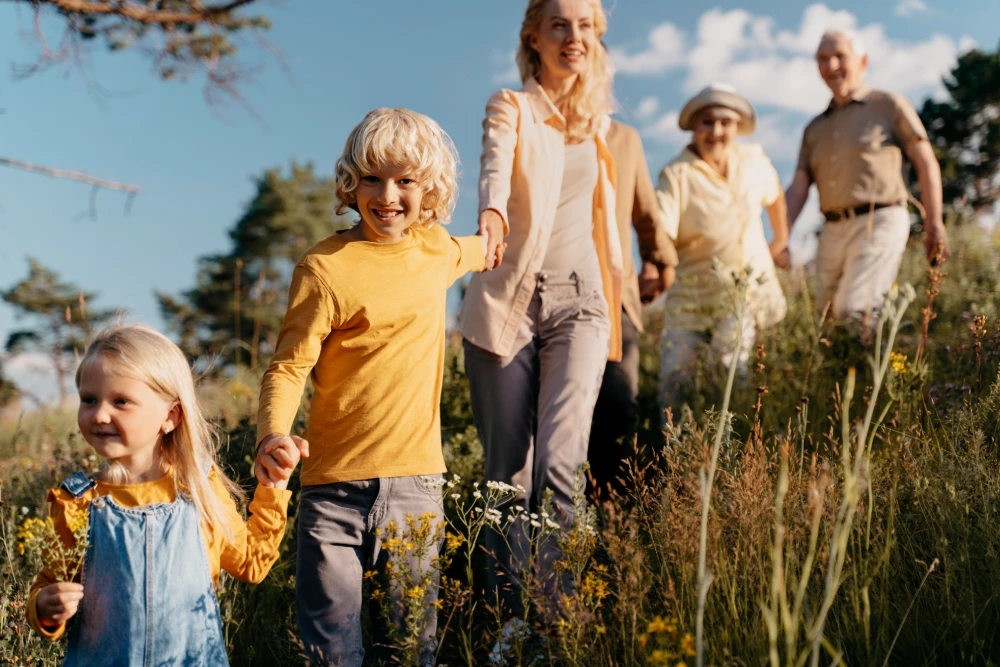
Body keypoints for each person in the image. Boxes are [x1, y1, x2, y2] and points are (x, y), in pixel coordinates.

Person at [254, 108, 488, 666]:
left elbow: (490, 245)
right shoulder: (325, 267)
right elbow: (289, 366)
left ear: (428, 189)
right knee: (330, 652)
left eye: (405, 181)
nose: (388, 195)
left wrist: (501, 219)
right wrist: (272, 436)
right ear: (350, 182)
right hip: (332, 492)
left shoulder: (437, 249)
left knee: (409, 650)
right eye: (373, 178)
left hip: (416, 487)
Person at [460, 0, 622, 621]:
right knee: (508, 473)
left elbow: (608, 227)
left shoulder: (598, 127)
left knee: (560, 461)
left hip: (581, 303)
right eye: (560, 24)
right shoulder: (513, 106)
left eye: (585, 26)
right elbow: (495, 162)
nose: (573, 36)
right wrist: (492, 211)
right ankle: (506, 623)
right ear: (534, 37)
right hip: (508, 301)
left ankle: (556, 621)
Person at [27, 324, 299, 665]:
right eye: (89, 399)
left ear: (170, 416)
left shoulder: (198, 486)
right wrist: (44, 608)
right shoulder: (76, 501)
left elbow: (251, 562)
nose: (99, 414)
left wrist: (274, 486)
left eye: (121, 401)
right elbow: (51, 583)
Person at [785, 30, 951, 324]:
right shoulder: (814, 128)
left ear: (863, 61)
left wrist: (934, 222)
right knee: (826, 321)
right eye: (823, 59)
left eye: (840, 56)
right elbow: (799, 186)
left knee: (856, 309)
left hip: (881, 219)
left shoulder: (889, 105)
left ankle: (871, 369)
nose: (831, 65)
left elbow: (926, 162)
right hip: (833, 230)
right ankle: (849, 370)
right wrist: (780, 236)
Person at [655, 83, 790, 417]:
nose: (716, 131)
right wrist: (657, 268)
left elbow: (775, 197)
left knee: (732, 372)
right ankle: (674, 455)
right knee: (675, 379)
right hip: (693, 293)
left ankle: (731, 450)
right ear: (694, 127)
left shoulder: (753, 160)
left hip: (742, 293)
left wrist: (781, 241)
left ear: (736, 128)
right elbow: (661, 232)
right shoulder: (676, 174)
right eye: (707, 122)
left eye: (725, 123)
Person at [587, 118, 678, 494]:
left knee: (617, 405)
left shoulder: (625, 139)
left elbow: (644, 209)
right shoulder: (539, 126)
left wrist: (659, 257)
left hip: (615, 294)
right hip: (554, 292)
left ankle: (613, 521)